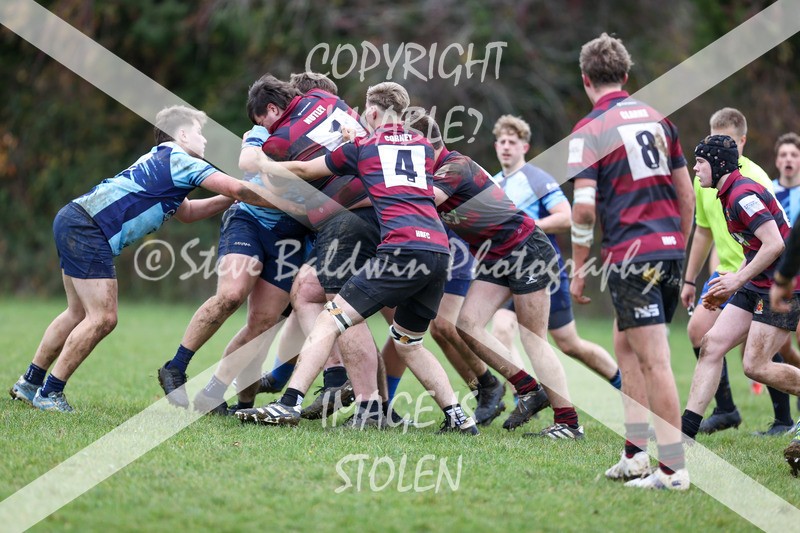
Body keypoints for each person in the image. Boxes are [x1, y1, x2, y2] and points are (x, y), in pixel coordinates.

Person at [8, 105, 287, 412]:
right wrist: (281, 197)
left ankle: (30, 382)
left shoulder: (160, 159)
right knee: (103, 318)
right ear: (182, 134)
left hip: (75, 219)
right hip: (90, 229)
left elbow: (188, 213)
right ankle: (50, 392)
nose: (204, 141)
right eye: (199, 133)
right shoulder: (182, 160)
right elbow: (238, 188)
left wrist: (234, 194)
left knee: (77, 313)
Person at [238, 82, 477, 433]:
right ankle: (459, 418)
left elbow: (305, 172)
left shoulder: (363, 147)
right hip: (438, 249)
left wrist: (262, 162)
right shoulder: (423, 146)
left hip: (401, 247)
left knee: (330, 317)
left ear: (374, 113)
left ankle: (288, 403)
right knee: (409, 342)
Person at [407, 113, 584, 439]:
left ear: (422, 145)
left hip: (528, 250)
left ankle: (569, 423)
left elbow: (425, 202)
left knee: (534, 338)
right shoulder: (435, 170)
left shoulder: (454, 168)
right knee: (467, 323)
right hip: (496, 256)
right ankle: (529, 389)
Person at [569, 33, 694, 489]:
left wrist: (578, 267)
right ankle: (636, 455)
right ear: (625, 76)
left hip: (633, 256)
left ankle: (673, 469)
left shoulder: (591, 129)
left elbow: (583, 209)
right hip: (668, 251)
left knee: (654, 360)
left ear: (586, 80)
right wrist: (676, 245)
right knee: (626, 348)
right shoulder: (659, 120)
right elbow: (686, 193)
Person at [158, 76, 310, 413]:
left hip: (292, 235)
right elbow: (246, 161)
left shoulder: (316, 132)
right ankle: (176, 367)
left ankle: (227, 398)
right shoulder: (260, 133)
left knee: (263, 323)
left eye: (261, 119)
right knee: (229, 295)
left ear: (272, 108)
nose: (258, 126)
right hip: (250, 220)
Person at [682, 136, 800, 463]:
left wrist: (737, 278)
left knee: (755, 366)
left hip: (783, 286)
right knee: (711, 345)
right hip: (756, 283)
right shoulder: (726, 193)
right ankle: (685, 434)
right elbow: (754, 247)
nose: (695, 168)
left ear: (718, 164)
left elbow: (775, 244)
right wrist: (731, 284)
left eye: (700, 162)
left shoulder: (742, 194)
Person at [490, 115, 621, 391]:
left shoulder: (537, 179)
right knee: (500, 329)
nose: (505, 147)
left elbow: (566, 217)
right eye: (501, 141)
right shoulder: (493, 183)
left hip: (543, 271)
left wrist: (525, 226)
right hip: (508, 273)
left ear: (524, 147)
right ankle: (525, 395)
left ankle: (622, 382)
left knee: (569, 343)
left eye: (512, 142)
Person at [773, 132, 800, 225]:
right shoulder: (767, 190)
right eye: (783, 155)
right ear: (777, 161)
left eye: (794, 155)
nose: (788, 159)